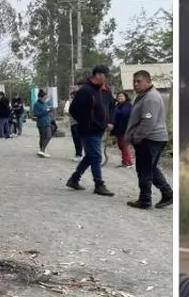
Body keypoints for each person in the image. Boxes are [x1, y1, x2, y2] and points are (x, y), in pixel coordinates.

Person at [125, 70, 173, 210]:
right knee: (150, 168)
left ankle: (145, 200)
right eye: (134, 81)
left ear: (148, 81)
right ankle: (168, 193)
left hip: (150, 138)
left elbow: (148, 122)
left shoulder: (150, 97)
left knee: (144, 170)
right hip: (153, 138)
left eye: (139, 81)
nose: (135, 84)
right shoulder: (144, 96)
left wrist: (136, 137)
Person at [66, 65, 115, 197]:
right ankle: (99, 184)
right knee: (96, 157)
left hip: (100, 129)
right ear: (97, 75)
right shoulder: (85, 91)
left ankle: (74, 179)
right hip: (88, 129)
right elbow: (73, 110)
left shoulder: (106, 91)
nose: (105, 78)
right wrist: (86, 121)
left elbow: (112, 106)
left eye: (106, 76)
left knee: (90, 156)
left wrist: (110, 121)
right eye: (104, 75)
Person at [111, 91, 134, 167]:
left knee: (123, 146)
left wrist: (114, 109)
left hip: (125, 129)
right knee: (121, 145)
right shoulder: (118, 105)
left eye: (121, 96)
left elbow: (123, 113)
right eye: (118, 96)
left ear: (125, 97)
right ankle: (128, 161)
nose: (119, 97)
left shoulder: (127, 105)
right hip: (119, 129)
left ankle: (126, 162)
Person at [33, 89, 54, 157]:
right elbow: (36, 114)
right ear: (40, 97)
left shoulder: (44, 103)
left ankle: (42, 151)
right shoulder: (36, 104)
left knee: (48, 136)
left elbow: (46, 111)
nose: (45, 99)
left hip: (47, 122)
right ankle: (42, 151)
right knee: (44, 137)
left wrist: (49, 110)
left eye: (46, 97)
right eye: (44, 97)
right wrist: (46, 111)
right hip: (41, 123)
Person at [65, 88, 82, 160]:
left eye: (72, 97)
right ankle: (78, 154)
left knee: (77, 140)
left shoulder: (78, 103)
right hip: (73, 123)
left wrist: (70, 113)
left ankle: (79, 155)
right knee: (75, 140)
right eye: (71, 97)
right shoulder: (73, 103)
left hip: (76, 123)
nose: (71, 98)